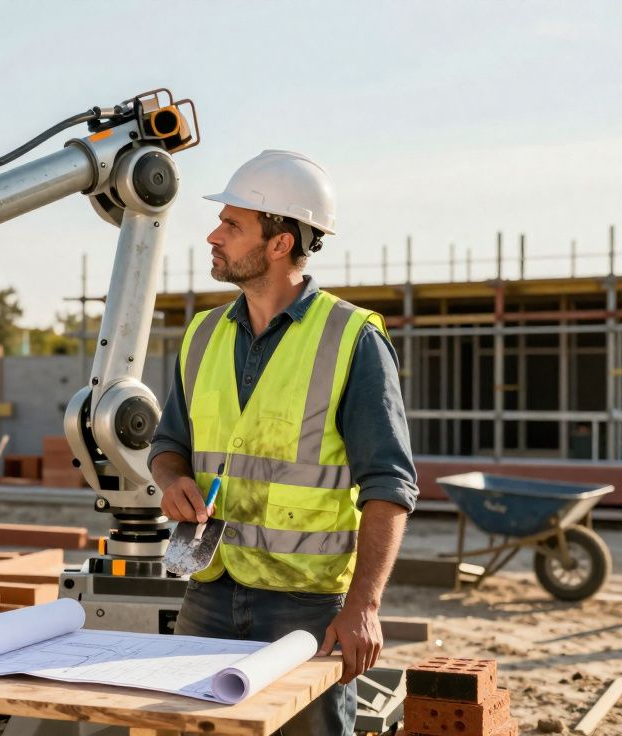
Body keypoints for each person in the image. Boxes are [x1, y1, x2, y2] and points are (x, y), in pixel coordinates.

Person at [149, 150, 418, 735]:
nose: (213, 236)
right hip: (209, 589)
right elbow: (168, 443)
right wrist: (173, 481)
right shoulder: (201, 334)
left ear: (280, 242)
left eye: (232, 225)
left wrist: (364, 606)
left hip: (306, 607)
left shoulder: (352, 338)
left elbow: (389, 484)